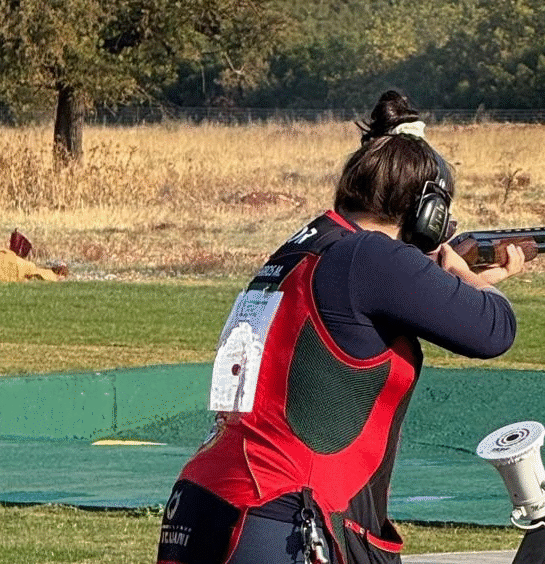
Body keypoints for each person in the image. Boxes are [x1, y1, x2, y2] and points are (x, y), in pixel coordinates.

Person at [157, 90, 525, 564]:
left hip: (207, 502)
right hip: (282, 515)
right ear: (428, 213)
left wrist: (448, 282)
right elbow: (494, 330)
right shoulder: (369, 257)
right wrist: (466, 278)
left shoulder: (304, 248)